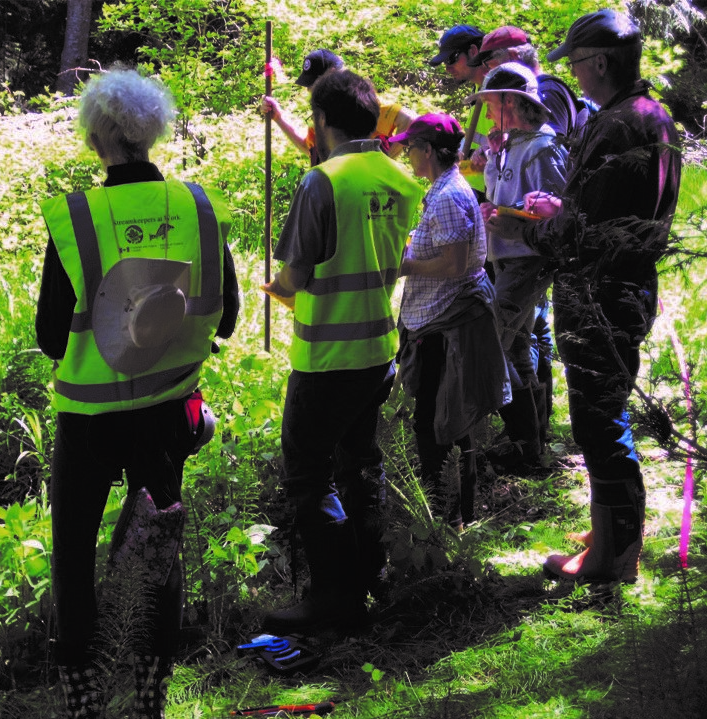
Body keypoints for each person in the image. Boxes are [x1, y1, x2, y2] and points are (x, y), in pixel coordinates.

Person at [36, 67, 239, 718]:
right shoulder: (197, 207)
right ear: (152, 132)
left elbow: (49, 334)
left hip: (90, 416)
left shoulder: (77, 217)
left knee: (72, 551)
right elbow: (226, 317)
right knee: (158, 546)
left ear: (96, 138)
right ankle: (149, 687)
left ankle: (84, 695)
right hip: (167, 411)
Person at [489, 9, 681, 582]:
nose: (573, 76)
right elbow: (604, 212)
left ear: (600, 61)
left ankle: (612, 560)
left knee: (600, 422)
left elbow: (585, 235)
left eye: (575, 64)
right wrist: (561, 208)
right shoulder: (648, 117)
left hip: (601, 294)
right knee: (601, 417)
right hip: (619, 286)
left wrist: (519, 227)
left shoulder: (621, 124)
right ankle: (607, 532)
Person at [261, 70, 420, 633]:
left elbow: (296, 276)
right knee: (361, 461)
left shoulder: (323, 182)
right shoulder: (402, 180)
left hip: (327, 357)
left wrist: (274, 288)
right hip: (379, 348)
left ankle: (333, 598)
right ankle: (369, 573)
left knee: (308, 472)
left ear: (322, 120)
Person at [390, 114, 510, 528]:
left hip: (446, 324)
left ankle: (446, 519)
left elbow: (456, 262)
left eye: (410, 148)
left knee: (439, 424)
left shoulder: (447, 196)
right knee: (447, 422)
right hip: (442, 318)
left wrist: (405, 266)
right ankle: (454, 515)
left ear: (427, 151)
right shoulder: (444, 190)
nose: (407, 155)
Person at [468, 63, 568, 473]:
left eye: (492, 105)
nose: (489, 114)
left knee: (492, 339)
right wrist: (493, 160)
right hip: (505, 255)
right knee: (516, 346)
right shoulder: (510, 145)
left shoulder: (543, 149)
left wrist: (517, 220)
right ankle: (529, 444)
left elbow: (558, 212)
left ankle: (522, 442)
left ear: (513, 103)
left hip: (528, 260)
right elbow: (500, 193)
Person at [261, 48, 417, 163]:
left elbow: (409, 121)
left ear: (332, 74)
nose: (309, 90)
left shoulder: (365, 106)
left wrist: (386, 159)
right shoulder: (323, 115)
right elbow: (309, 148)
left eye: (313, 83)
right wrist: (279, 118)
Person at [468, 25, 591, 138]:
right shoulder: (541, 90)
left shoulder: (545, 93)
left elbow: (550, 151)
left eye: (488, 64)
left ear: (513, 56)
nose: (487, 72)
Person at [428, 24, 494, 199]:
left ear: (473, 51)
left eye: (451, 59)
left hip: (492, 195)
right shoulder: (478, 88)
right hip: (475, 191)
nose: (447, 68)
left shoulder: (499, 91)